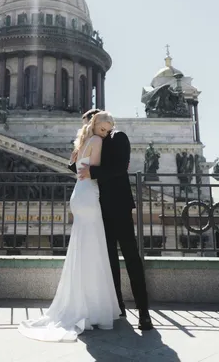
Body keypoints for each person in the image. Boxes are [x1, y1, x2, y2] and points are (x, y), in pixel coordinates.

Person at [18, 111, 120, 342]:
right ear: (96, 125)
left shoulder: (83, 142)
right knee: (93, 249)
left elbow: (78, 168)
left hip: (79, 195)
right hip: (88, 195)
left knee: (83, 248)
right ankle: (92, 307)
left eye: (108, 130)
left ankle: (81, 303)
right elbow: (95, 170)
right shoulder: (96, 141)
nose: (107, 133)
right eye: (104, 128)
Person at [69, 109, 153, 331]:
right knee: (109, 260)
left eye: (97, 125)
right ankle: (118, 307)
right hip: (98, 207)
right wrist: (81, 148)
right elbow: (75, 168)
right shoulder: (94, 139)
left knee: (131, 257)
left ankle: (144, 312)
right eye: (96, 127)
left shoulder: (119, 137)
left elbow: (120, 167)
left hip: (118, 206)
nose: (99, 130)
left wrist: (92, 172)